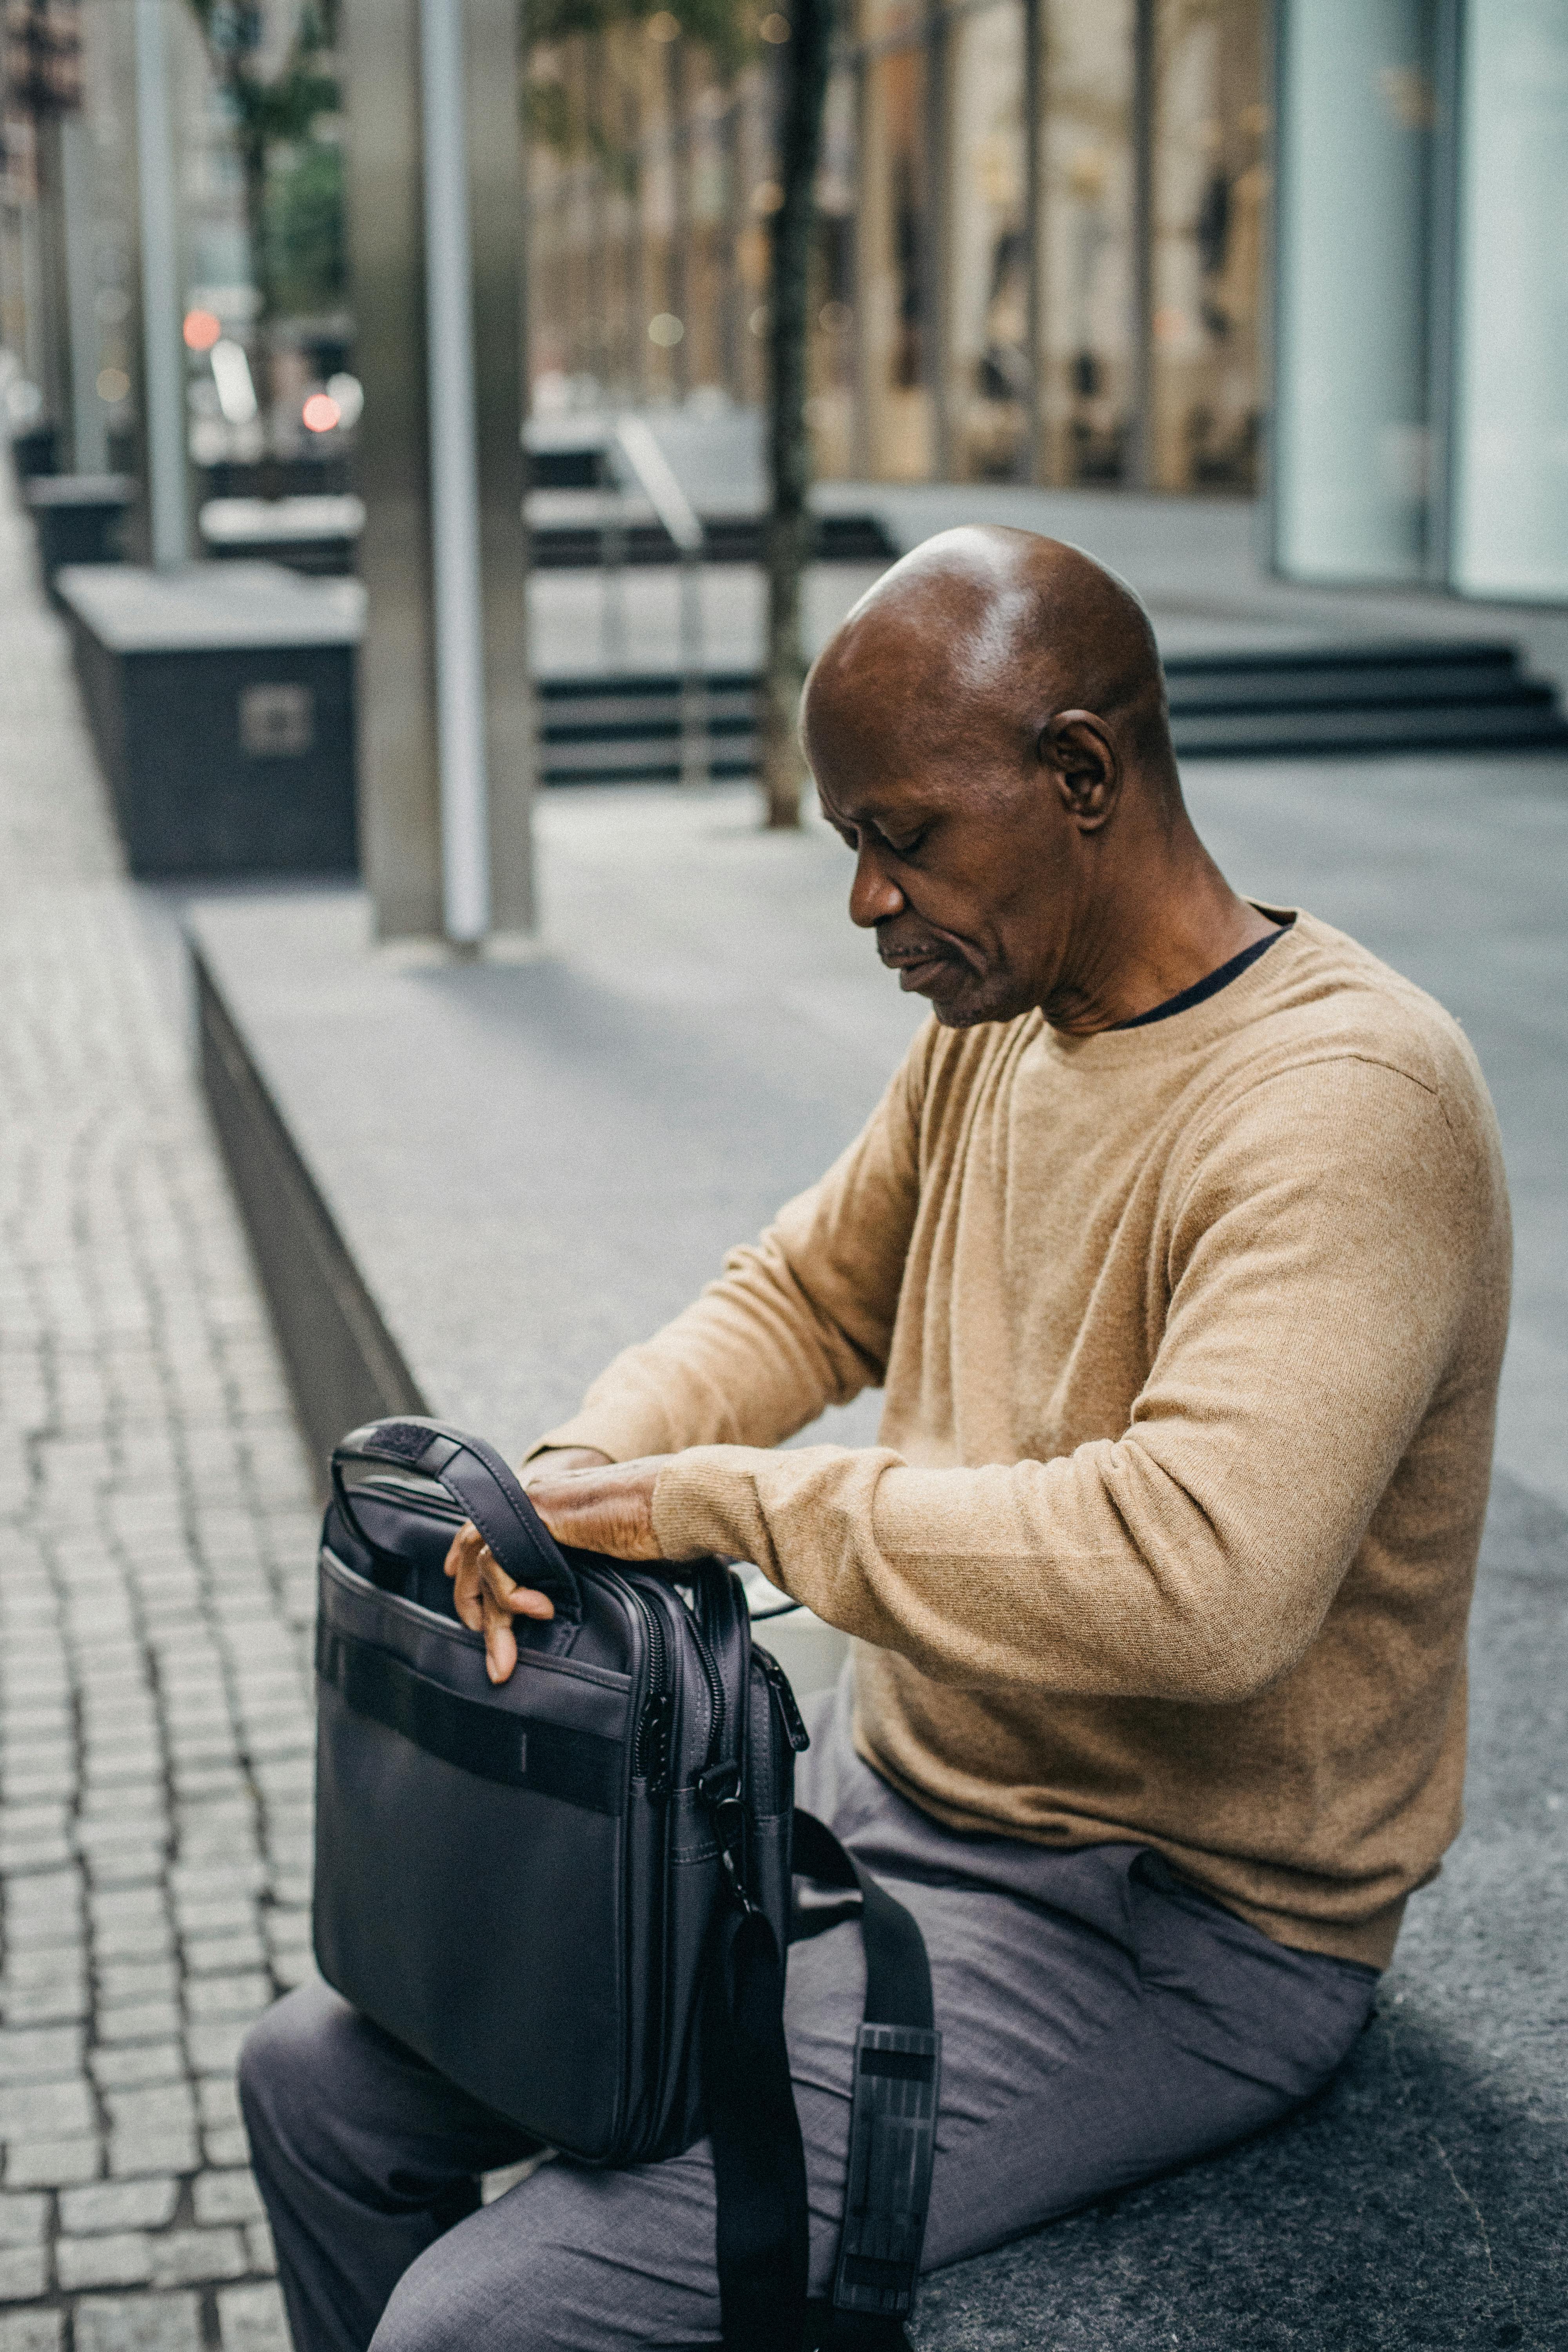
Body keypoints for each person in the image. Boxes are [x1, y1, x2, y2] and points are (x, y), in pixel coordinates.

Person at [241, 528, 1511, 2352]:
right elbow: (804, 1296)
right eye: (852, 844)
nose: (866, 904)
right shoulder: (1006, 1021)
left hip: (1170, 1928)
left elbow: (1201, 1580)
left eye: (899, 837)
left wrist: (725, 1506)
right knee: (318, 2086)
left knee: (475, 2325)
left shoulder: (1344, 1104)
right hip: (883, 1795)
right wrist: (564, 1492)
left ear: (1081, 775)